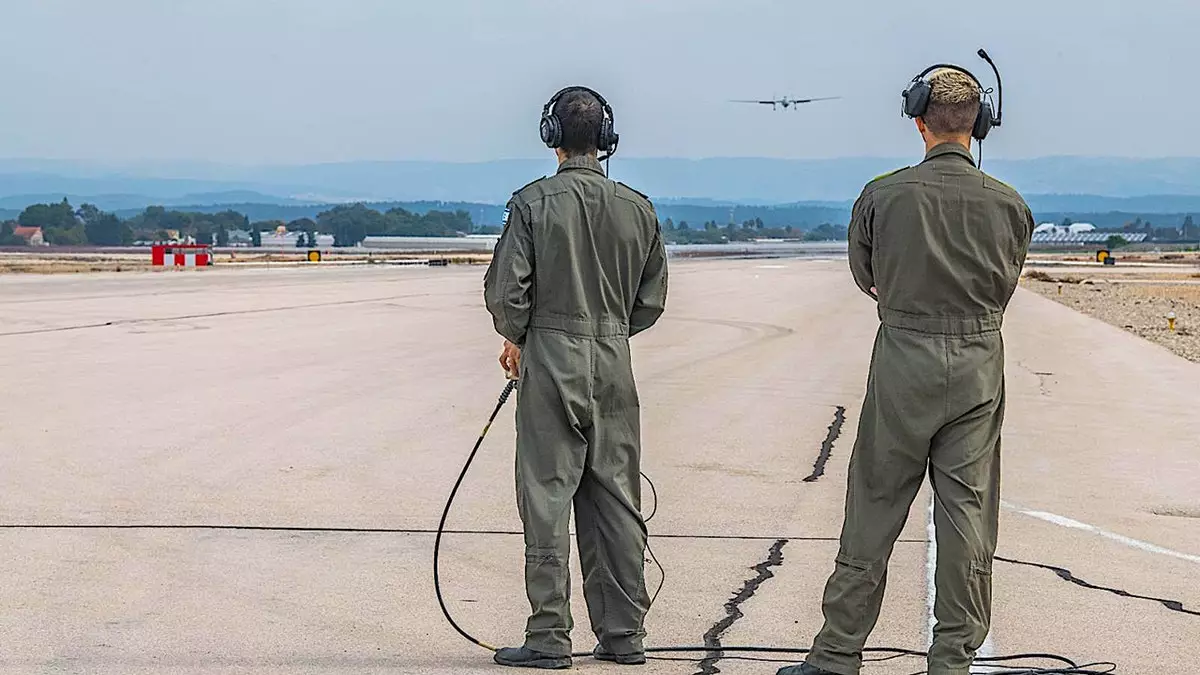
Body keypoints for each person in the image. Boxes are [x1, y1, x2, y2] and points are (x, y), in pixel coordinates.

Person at [778, 65, 1034, 675]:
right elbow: (1007, 282)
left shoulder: (882, 195)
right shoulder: (1010, 204)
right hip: (977, 364)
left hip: (902, 359)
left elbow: (865, 276)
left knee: (874, 503)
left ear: (918, 119)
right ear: (980, 123)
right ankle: (952, 659)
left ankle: (837, 652)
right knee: (967, 514)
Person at [483, 85, 669, 670]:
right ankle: (624, 635)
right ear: (605, 138)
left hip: (550, 357)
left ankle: (548, 636)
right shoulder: (638, 207)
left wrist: (521, 337)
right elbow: (651, 300)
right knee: (616, 498)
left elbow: (507, 292)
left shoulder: (531, 204)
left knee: (545, 496)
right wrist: (607, 332)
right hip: (613, 360)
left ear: (552, 137)